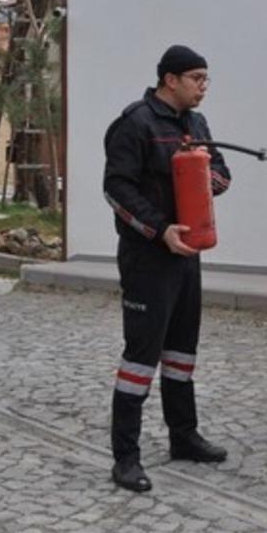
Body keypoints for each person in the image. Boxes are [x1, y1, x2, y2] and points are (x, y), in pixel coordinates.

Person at [101, 45, 232, 493]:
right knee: (141, 358)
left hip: (188, 256)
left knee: (181, 353)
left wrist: (200, 175)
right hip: (149, 258)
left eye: (206, 79)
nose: (203, 87)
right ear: (169, 79)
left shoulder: (196, 125)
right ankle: (126, 457)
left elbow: (223, 175)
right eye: (196, 77)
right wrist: (160, 230)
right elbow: (116, 189)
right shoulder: (135, 123)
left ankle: (184, 435)